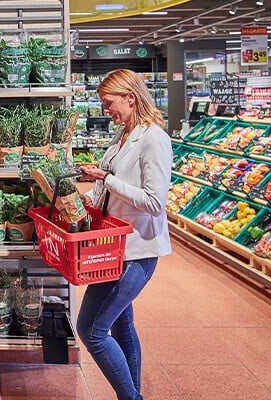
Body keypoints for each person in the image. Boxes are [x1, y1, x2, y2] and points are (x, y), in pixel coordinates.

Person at [77, 69, 173, 400]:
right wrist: (88, 195)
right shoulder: (122, 136)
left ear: (131, 98)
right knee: (122, 326)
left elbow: (154, 202)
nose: (106, 110)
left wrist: (107, 177)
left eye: (109, 103)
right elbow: (108, 185)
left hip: (137, 251)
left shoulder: (153, 138)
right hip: (113, 247)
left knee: (91, 330)